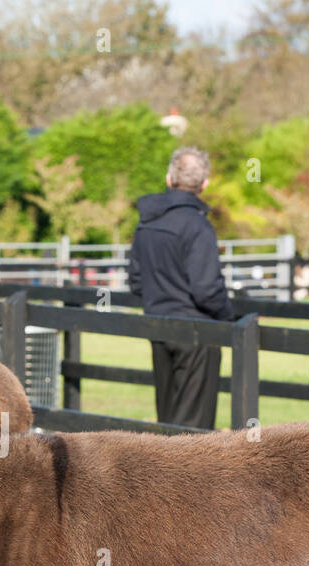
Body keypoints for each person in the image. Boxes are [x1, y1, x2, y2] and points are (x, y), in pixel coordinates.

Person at [128, 146, 234, 430]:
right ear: (204, 184)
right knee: (193, 427)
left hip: (158, 325)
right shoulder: (198, 227)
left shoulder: (146, 223)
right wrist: (229, 317)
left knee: (167, 416)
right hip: (196, 332)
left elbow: (136, 280)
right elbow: (206, 290)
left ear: (169, 178)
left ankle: (162, 474)